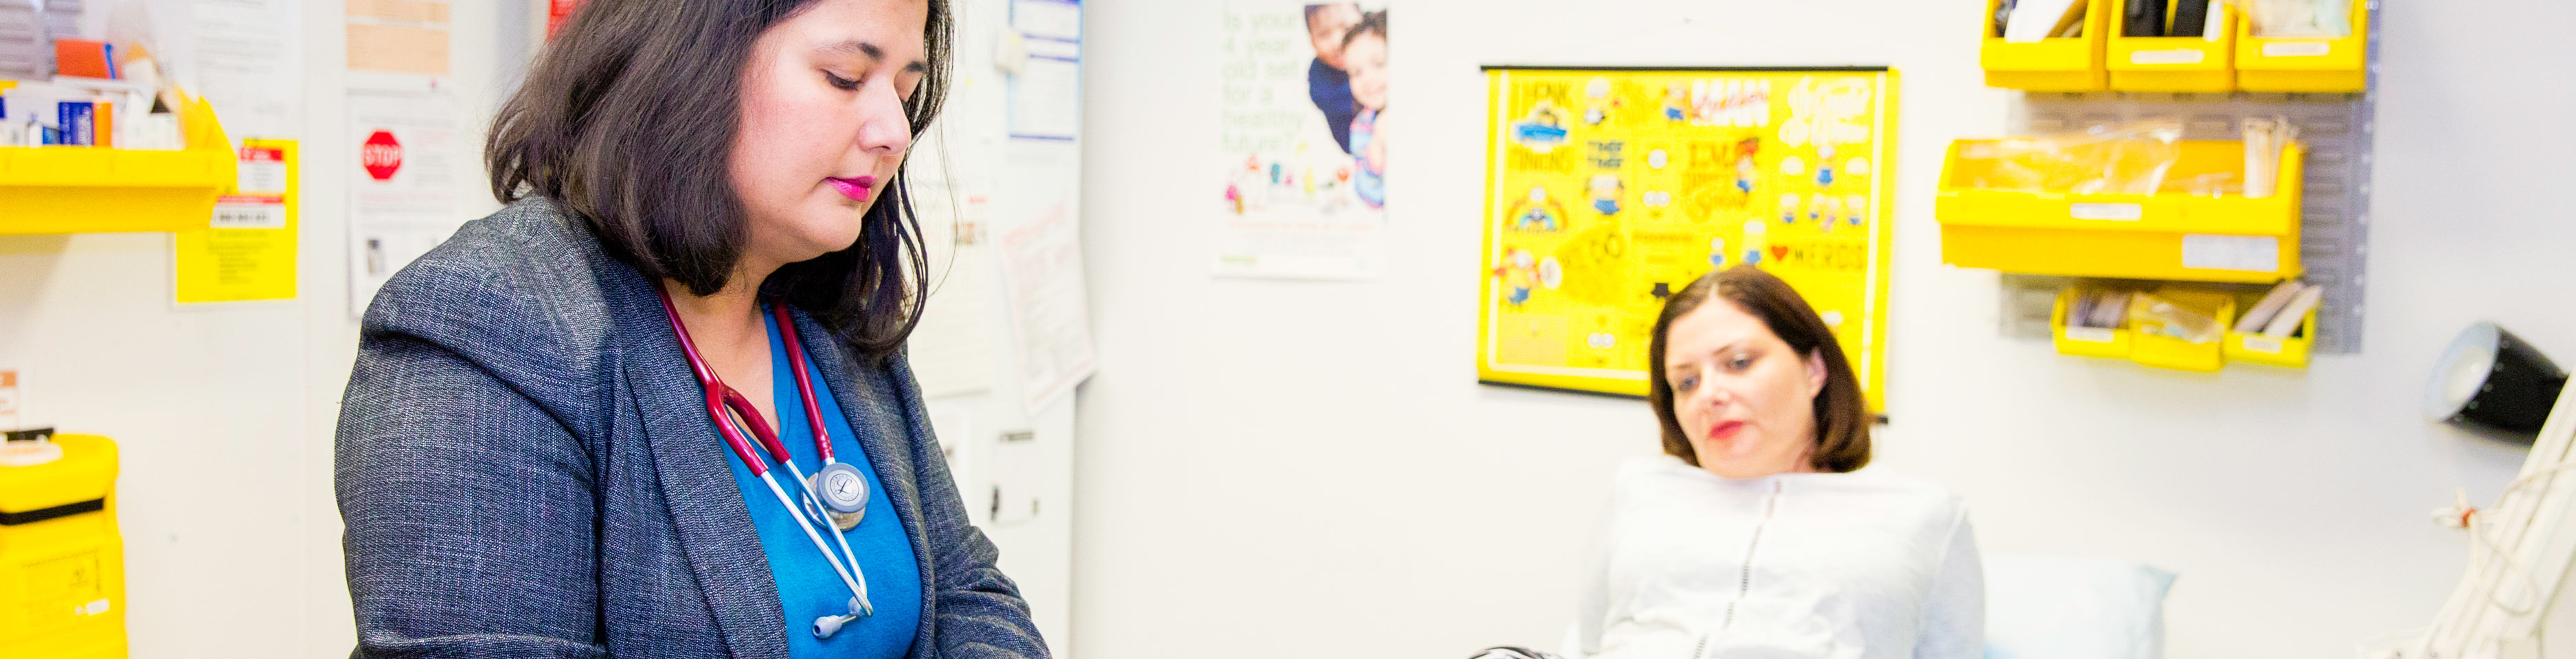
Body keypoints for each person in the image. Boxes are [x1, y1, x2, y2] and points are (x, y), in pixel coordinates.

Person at [332, 0, 1047, 657]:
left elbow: (969, 592)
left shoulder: (832, 319)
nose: (894, 132)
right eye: (845, 77)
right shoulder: (488, 324)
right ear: (687, 63)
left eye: (904, 90)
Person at [1573, 266, 1982, 659]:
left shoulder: (1921, 515)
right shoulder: (1643, 489)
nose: (1708, 395)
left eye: (1739, 362)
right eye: (1686, 382)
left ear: (1814, 370)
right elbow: (1592, 644)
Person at [1342, 10, 1387, 209]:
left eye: (1379, 64)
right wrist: (1377, 144)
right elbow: (1370, 196)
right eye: (1356, 73)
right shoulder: (1362, 127)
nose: (1368, 79)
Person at [1303, 3, 1362, 154]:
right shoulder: (1321, 82)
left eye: (1347, 28)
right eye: (1324, 34)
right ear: (1313, 43)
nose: (1338, 42)